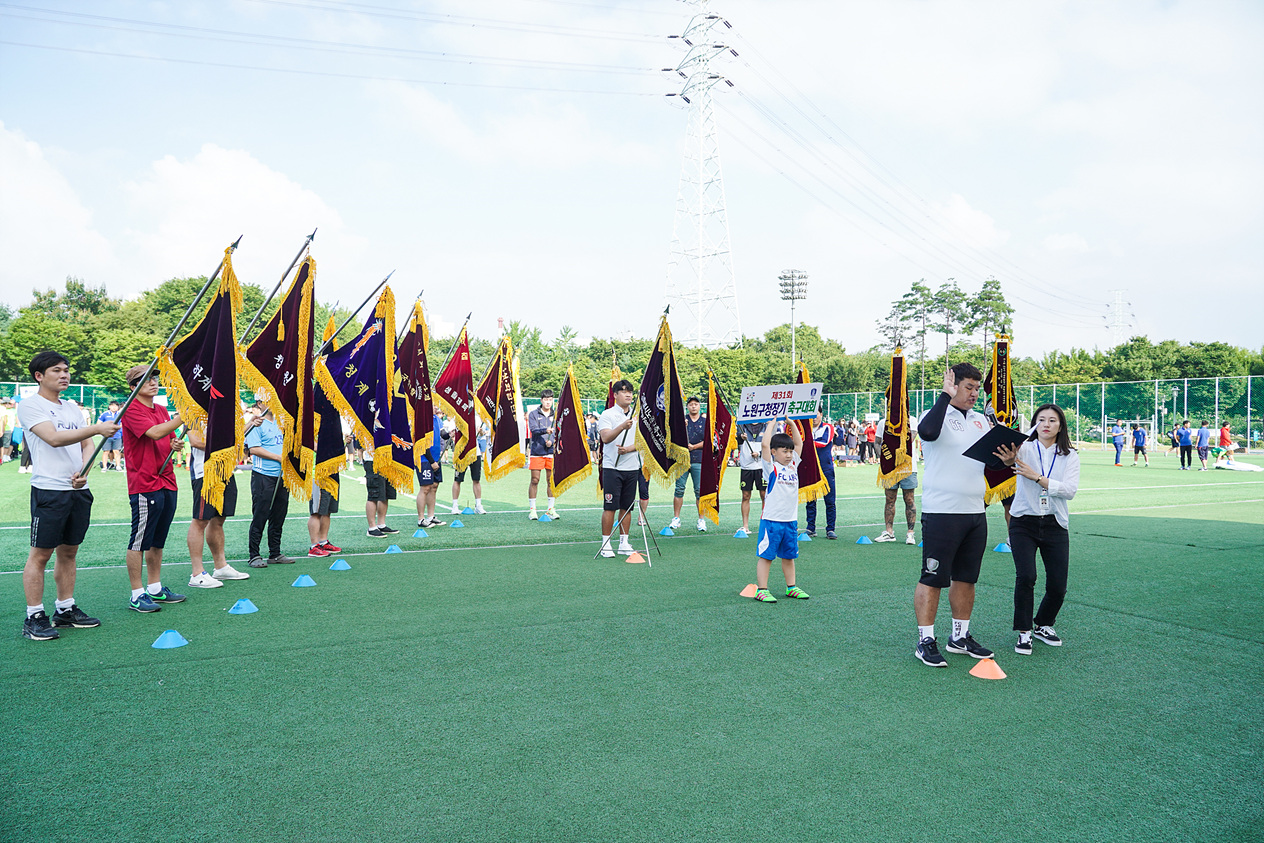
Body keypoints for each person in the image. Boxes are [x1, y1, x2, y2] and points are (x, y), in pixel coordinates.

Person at [17, 352, 120, 640]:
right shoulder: (30, 406)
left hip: (78, 490)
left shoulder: (72, 407)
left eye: (66, 370)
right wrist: (98, 428)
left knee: (69, 551)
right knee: (40, 554)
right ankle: (34, 616)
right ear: (39, 376)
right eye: (56, 371)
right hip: (49, 490)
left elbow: (87, 445)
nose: (64, 375)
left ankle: (65, 609)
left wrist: (83, 469)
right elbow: (53, 438)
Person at [912, 363, 1003, 667]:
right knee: (934, 577)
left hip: (975, 511)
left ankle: (959, 637)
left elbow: (993, 466)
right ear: (952, 384)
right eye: (969, 387)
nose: (975, 394)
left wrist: (1007, 458)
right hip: (942, 512)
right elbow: (926, 433)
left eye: (978, 388)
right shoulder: (934, 415)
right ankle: (925, 640)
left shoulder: (981, 421)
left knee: (966, 577)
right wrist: (944, 397)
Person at [1003, 404, 1080, 655]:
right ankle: (1024, 632)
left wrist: (1038, 478)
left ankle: (1043, 625)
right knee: (1026, 577)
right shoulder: (1023, 448)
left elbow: (1069, 491)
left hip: (1055, 523)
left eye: (1053, 420)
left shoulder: (1070, 455)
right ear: (1034, 423)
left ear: (1061, 426)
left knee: (1058, 586)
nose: (1046, 424)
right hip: (1023, 520)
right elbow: (1004, 463)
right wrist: (1008, 461)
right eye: (1042, 419)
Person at [120, 365, 186, 611]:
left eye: (154, 377)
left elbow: (168, 438)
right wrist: (183, 415)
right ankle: (137, 594)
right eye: (145, 379)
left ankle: (155, 588)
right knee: (139, 541)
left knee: (158, 539)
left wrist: (176, 443)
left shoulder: (160, 409)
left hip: (167, 479)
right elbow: (156, 433)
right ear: (132, 386)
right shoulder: (130, 409)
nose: (153, 382)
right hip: (145, 483)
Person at [185, 422, 251, 586]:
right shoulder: (194, 408)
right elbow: (195, 441)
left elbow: (233, 438)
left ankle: (220, 567)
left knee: (219, 519)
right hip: (204, 472)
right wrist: (224, 447)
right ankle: (197, 573)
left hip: (225, 471)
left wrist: (249, 424)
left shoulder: (222, 410)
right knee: (200, 520)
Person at [752, 416, 809, 603]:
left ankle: (791, 587)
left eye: (790, 452)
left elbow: (799, 444)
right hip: (772, 521)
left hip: (790, 521)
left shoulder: (793, 466)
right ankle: (762, 589)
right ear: (775, 452)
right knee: (766, 556)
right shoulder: (771, 468)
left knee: (789, 556)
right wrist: (771, 425)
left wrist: (792, 424)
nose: (789, 455)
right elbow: (765, 446)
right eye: (785, 451)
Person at [244, 404, 294, 566]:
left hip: (282, 476)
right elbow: (254, 449)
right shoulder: (256, 423)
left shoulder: (282, 422)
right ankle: (254, 555)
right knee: (261, 514)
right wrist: (278, 457)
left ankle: (275, 553)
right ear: (260, 403)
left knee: (279, 515)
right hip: (263, 476)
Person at [597, 379, 640, 557]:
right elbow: (605, 438)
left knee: (627, 507)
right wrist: (622, 426)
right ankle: (606, 543)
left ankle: (624, 542)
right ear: (615, 395)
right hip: (612, 468)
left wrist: (629, 449)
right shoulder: (608, 414)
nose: (628, 394)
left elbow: (643, 442)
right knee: (610, 506)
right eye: (623, 391)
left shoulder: (637, 416)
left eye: (630, 391)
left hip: (632, 467)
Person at [670, 395, 708, 532]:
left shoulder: (705, 422)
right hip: (682, 460)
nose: (693, 406)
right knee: (679, 489)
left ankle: (701, 519)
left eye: (696, 404)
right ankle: (676, 518)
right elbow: (673, 437)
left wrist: (695, 446)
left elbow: (708, 441)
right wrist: (681, 428)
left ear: (699, 406)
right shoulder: (682, 420)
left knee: (699, 491)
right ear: (687, 406)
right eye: (691, 404)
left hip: (698, 459)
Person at [804, 409, 837, 539]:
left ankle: (830, 529)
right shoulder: (805, 430)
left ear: (821, 415)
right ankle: (810, 528)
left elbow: (824, 442)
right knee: (810, 500)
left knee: (829, 500)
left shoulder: (828, 427)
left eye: (816, 414)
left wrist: (806, 443)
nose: (814, 417)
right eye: (811, 415)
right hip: (811, 469)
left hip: (826, 469)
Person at [527, 390, 559, 520]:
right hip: (537, 451)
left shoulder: (556, 414)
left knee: (551, 481)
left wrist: (552, 441)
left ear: (553, 401)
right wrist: (545, 431)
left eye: (550, 399)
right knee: (535, 480)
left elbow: (559, 431)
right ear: (541, 400)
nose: (548, 402)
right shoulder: (533, 414)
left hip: (551, 452)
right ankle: (532, 510)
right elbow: (533, 429)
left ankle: (551, 509)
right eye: (545, 399)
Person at [363, 441, 401, 538]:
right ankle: (372, 528)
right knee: (373, 494)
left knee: (385, 494)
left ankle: (381, 524)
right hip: (373, 459)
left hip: (388, 459)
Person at [450, 421, 489, 515]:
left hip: (475, 453)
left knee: (476, 479)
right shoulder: (456, 417)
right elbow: (451, 434)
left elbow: (481, 435)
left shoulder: (476, 418)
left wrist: (480, 432)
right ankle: (455, 506)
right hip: (462, 453)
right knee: (457, 479)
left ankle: (478, 505)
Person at [416, 412, 447, 529]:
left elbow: (443, 434)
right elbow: (422, 443)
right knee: (425, 488)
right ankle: (421, 519)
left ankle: (431, 516)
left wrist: (453, 433)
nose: (435, 406)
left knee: (434, 486)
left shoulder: (437, 419)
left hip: (436, 458)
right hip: (424, 459)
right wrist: (431, 461)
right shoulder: (421, 419)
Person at [735, 423, 766, 536]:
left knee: (764, 495)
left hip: (762, 467)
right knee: (745, 496)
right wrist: (740, 438)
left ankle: (765, 524)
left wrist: (760, 454)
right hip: (746, 467)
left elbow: (771, 446)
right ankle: (745, 526)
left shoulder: (766, 425)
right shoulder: (742, 425)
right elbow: (734, 442)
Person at [876, 469, 919, 545]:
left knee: (909, 499)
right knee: (889, 499)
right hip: (890, 468)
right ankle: (889, 532)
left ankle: (910, 533)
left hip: (908, 468)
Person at [97, 400, 123, 471]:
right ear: (109, 406)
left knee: (116, 451)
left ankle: (118, 466)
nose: (114, 407)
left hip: (117, 436)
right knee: (106, 451)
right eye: (112, 406)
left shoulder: (120, 414)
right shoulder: (105, 414)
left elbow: (123, 424)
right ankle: (105, 467)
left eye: (116, 406)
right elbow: (99, 423)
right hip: (107, 436)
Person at [0, 395, 15, 463]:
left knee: (4, 443)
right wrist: (2, 429)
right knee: (5, 444)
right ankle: (4, 457)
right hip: (6, 429)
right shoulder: (4, 410)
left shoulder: (7, 410)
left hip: (6, 429)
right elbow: (4, 420)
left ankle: (4, 456)